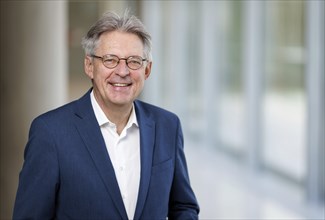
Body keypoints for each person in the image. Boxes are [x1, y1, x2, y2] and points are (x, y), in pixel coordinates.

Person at [13, 11, 199, 220]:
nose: (122, 71)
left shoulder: (168, 126)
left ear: (147, 70)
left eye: (134, 61)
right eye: (110, 60)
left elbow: (183, 206)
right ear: (89, 66)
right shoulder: (51, 133)